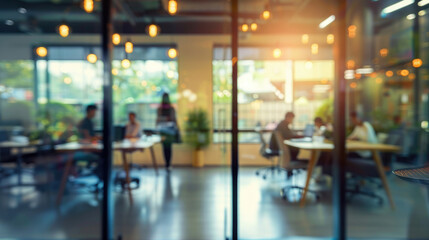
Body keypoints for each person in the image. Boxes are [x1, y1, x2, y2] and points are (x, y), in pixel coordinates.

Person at [156, 93, 179, 172]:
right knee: (166, 148)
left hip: (169, 131)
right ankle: (167, 164)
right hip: (164, 131)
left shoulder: (171, 109)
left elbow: (173, 119)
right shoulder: (160, 109)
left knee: (168, 148)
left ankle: (168, 164)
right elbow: (158, 120)